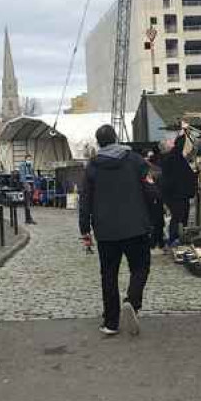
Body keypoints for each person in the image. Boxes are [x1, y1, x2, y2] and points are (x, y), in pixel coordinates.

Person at [79, 125, 152, 337]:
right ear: (116, 138)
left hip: (106, 230)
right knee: (140, 267)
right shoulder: (135, 160)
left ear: (99, 142)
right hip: (136, 226)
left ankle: (111, 322)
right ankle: (132, 301)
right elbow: (150, 188)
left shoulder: (92, 166)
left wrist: (85, 229)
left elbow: (85, 200)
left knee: (108, 275)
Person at [159, 127, 198, 247]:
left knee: (181, 216)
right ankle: (174, 239)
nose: (170, 142)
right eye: (168, 142)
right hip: (176, 194)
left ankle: (180, 238)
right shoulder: (170, 157)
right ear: (166, 147)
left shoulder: (172, 158)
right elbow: (178, 146)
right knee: (178, 216)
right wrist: (183, 132)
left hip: (178, 193)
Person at [144, 150, 166, 250]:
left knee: (154, 221)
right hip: (157, 199)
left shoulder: (151, 171)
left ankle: (154, 242)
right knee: (158, 222)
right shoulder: (158, 170)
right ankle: (159, 241)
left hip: (153, 199)